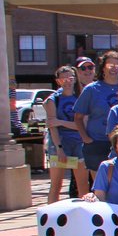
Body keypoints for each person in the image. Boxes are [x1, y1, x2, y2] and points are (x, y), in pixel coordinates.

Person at [74, 50, 118, 174]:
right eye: (110, 65)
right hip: (97, 142)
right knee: (99, 183)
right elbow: (78, 117)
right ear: (103, 67)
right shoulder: (91, 89)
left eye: (117, 65)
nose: (114, 68)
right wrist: (86, 138)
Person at [44, 65, 88, 204]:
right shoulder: (53, 100)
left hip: (79, 142)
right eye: (63, 79)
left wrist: (60, 122)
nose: (67, 81)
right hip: (60, 143)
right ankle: (51, 214)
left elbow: (82, 125)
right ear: (58, 81)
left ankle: (83, 213)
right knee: (56, 185)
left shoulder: (81, 97)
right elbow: (52, 126)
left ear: (75, 79)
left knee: (83, 185)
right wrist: (59, 148)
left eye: (70, 78)